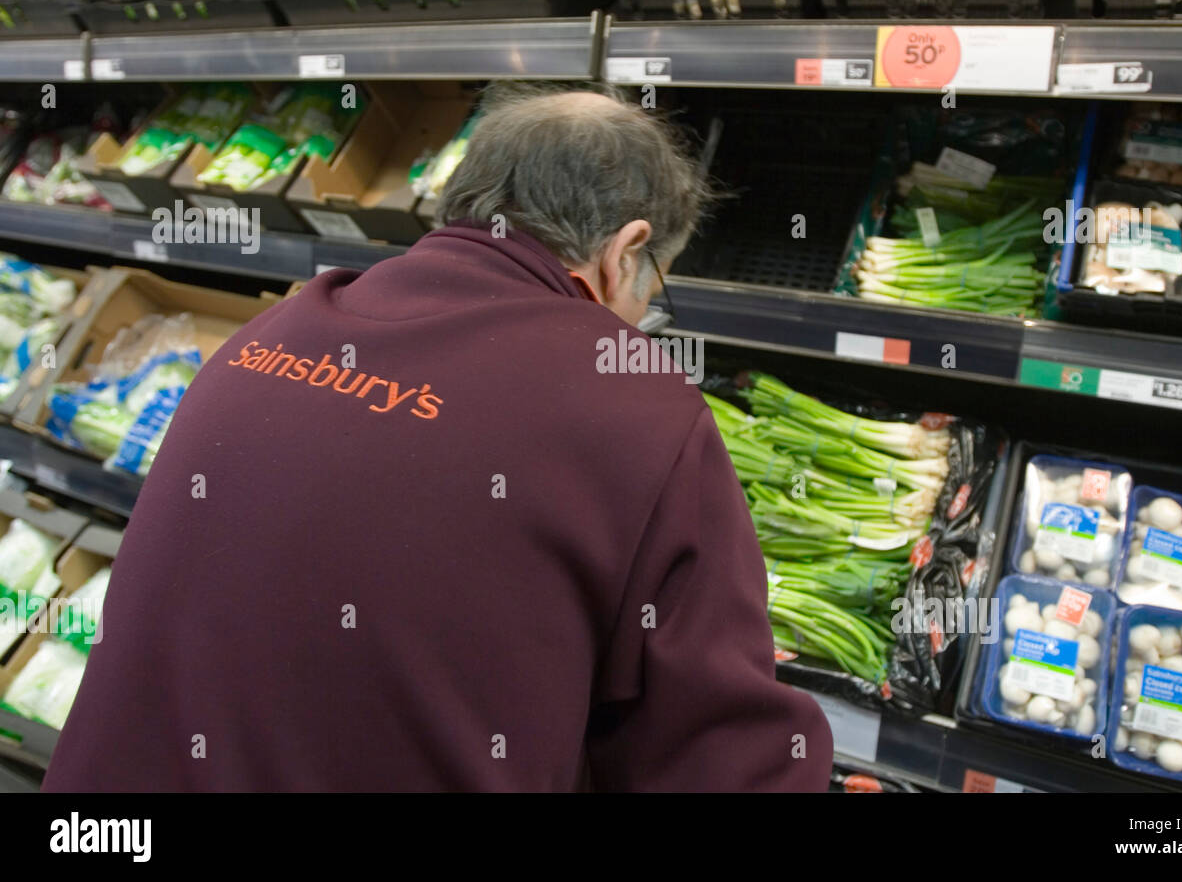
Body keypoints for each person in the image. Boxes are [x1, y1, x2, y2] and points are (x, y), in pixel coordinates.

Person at [43, 85, 833, 791]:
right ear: (625, 252)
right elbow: (728, 763)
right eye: (652, 284)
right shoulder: (639, 409)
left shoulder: (274, 331)